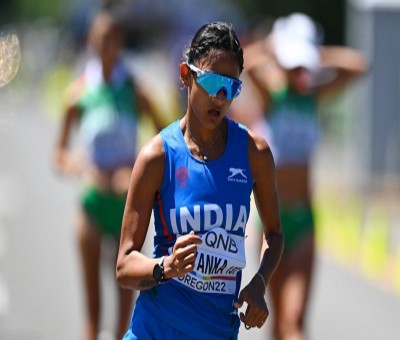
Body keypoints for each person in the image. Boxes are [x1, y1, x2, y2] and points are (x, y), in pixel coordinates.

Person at [116, 21, 284, 339]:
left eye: (231, 87)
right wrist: (165, 267)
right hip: (156, 327)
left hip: (216, 330)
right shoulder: (157, 156)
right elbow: (124, 265)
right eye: (211, 81)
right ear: (186, 75)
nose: (220, 96)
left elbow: (274, 235)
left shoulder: (254, 153)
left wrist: (260, 281)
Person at [240, 13, 367, 340]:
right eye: (294, 63)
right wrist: (274, 46)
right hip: (272, 224)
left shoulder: (312, 97)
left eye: (303, 64)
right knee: (278, 322)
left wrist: (317, 54)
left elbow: (359, 65)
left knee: (294, 321)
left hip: (304, 221)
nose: (300, 71)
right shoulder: (273, 96)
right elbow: (246, 63)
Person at [53, 9, 164, 340]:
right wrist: (77, 165)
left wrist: (137, 173)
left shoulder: (134, 89)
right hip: (92, 201)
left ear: (120, 42)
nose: (106, 46)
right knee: (92, 311)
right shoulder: (79, 92)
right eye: (100, 39)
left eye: (112, 39)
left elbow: (165, 137)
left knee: (123, 309)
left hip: (126, 207)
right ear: (91, 41)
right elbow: (58, 153)